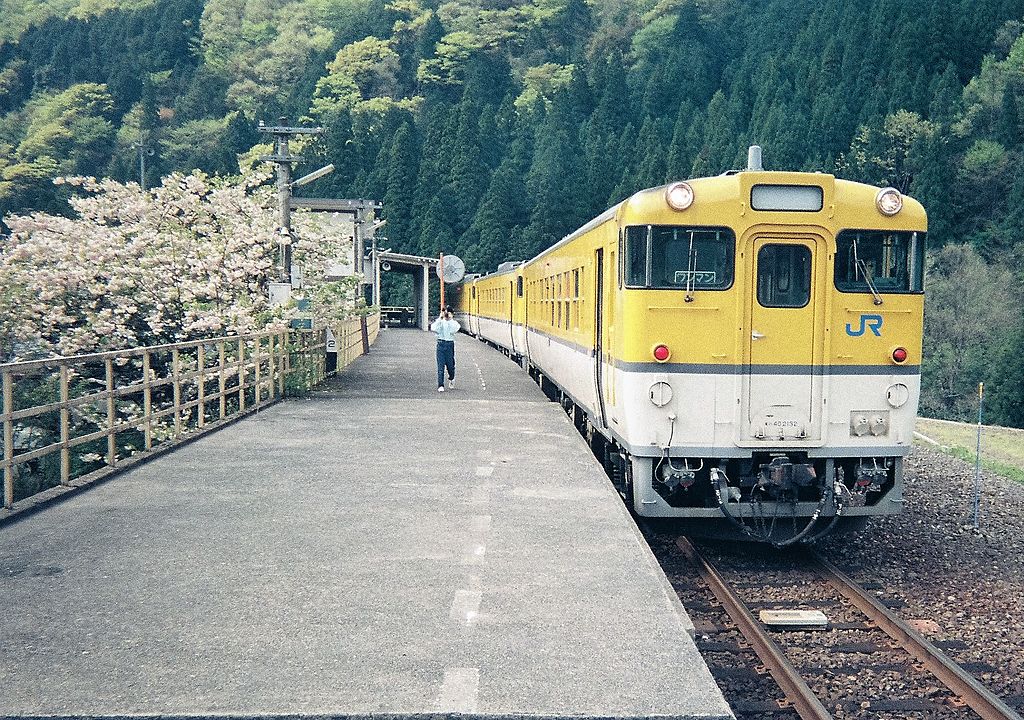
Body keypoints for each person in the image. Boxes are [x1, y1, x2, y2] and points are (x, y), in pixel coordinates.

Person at [431, 306, 460, 392]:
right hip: (440, 344)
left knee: (450, 366)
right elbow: (433, 328)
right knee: (440, 367)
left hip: (449, 345)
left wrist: (450, 320)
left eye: (448, 313)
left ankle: (451, 377)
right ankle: (441, 385)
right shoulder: (440, 322)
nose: (446, 315)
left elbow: (454, 329)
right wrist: (440, 318)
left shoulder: (453, 323)